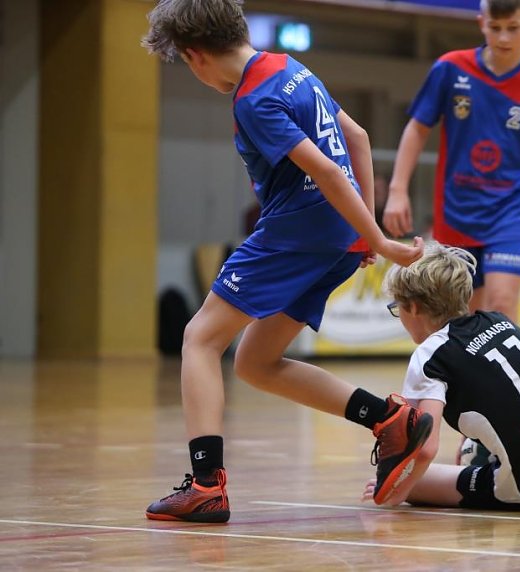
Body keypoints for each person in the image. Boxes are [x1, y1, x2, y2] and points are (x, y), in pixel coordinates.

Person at [141, 0, 431, 522]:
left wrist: (381, 240)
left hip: (297, 232)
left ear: (194, 55)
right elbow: (359, 139)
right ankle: (390, 421)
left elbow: (326, 171)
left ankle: (206, 484)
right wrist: (360, 234)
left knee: (199, 339)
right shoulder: (290, 67)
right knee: (255, 362)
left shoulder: (253, 98)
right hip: (335, 237)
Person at [365, 244, 520, 510]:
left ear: (415, 307)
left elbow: (425, 447)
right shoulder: (497, 320)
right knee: (476, 446)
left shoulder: (429, 355)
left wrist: (397, 493)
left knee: (414, 482)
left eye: (398, 308)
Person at [382, 0, 520, 322]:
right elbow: (416, 129)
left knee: (501, 303)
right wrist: (398, 190)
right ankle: (461, 373)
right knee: (459, 315)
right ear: (481, 22)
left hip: (512, 210)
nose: (504, 38)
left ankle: (508, 372)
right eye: (495, 28)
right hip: (457, 210)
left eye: (514, 28)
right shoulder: (451, 68)